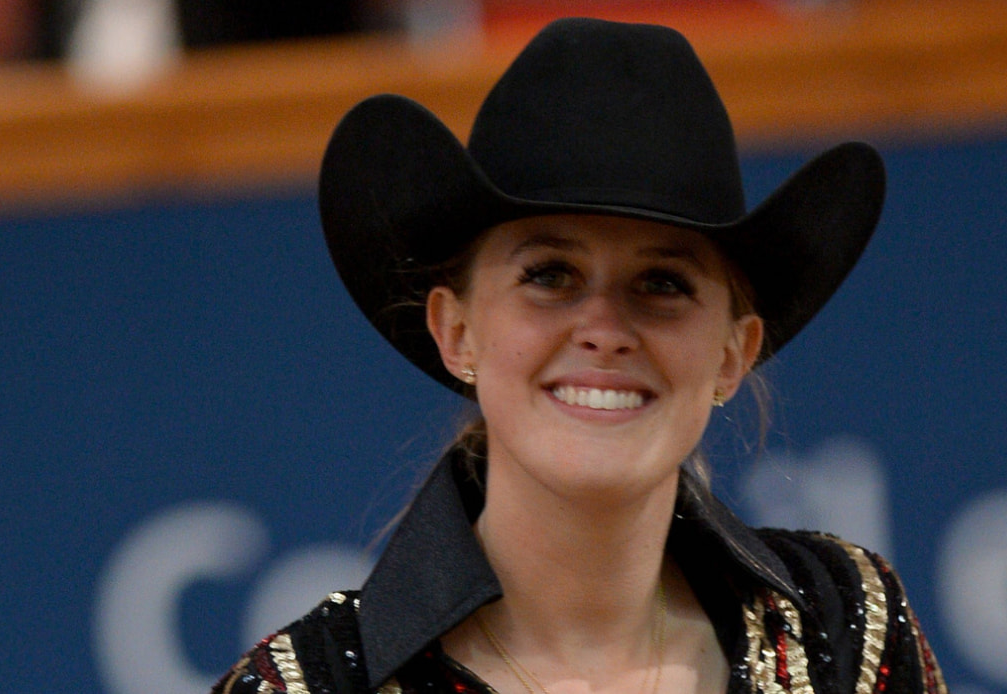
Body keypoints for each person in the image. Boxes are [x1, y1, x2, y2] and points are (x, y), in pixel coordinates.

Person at [213, 17, 946, 694]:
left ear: (734, 353)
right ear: (455, 331)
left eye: (662, 284)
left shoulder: (842, 626)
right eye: (549, 275)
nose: (603, 329)